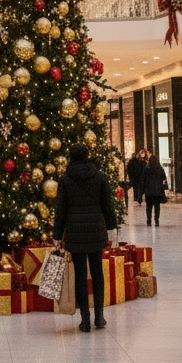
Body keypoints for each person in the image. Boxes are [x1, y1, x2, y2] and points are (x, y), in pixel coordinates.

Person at [53, 143, 117, 333]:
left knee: (80, 275)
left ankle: (85, 320)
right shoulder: (99, 176)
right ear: (88, 155)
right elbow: (107, 204)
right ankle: (99, 316)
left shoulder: (65, 179)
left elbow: (61, 209)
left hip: (75, 230)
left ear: (71, 157)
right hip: (96, 228)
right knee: (97, 272)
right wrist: (112, 227)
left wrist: (57, 235)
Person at [142, 155, 168, 227]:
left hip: (149, 192)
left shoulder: (147, 169)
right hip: (157, 192)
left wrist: (143, 190)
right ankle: (156, 220)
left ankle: (149, 220)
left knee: (149, 207)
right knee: (157, 207)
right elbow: (164, 178)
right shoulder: (160, 169)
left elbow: (143, 180)